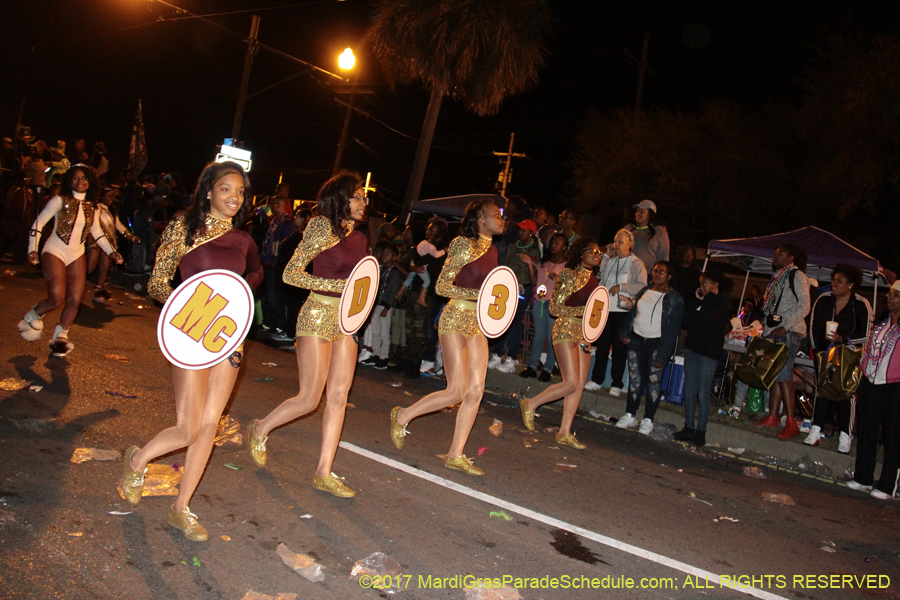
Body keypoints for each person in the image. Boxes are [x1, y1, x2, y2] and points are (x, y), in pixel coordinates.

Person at [121, 161, 262, 541]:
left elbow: (254, 279)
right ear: (208, 192)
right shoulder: (185, 227)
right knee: (188, 426)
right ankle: (137, 459)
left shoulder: (244, 241)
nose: (235, 198)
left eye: (240, 192)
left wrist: (234, 322)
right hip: (190, 334)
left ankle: (180, 509)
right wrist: (186, 312)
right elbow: (157, 283)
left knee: (209, 425)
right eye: (227, 189)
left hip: (227, 339)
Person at [246, 172, 369, 498]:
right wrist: (336, 287)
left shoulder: (360, 238)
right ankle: (260, 427)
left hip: (347, 320)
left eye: (364, 197)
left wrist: (357, 304)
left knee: (339, 397)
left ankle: (323, 471)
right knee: (309, 398)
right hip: (316, 314)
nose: (363, 202)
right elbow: (291, 274)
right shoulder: (320, 227)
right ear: (342, 198)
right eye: (358, 196)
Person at [390, 200, 506, 475]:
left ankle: (455, 453)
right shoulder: (462, 244)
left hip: (478, 323)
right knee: (456, 390)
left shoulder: (494, 250)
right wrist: (481, 297)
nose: (501, 219)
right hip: (455, 317)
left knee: (476, 391)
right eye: (495, 215)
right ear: (479, 219)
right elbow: (442, 286)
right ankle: (403, 415)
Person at [17, 165, 123, 356]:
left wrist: (112, 252)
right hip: (54, 250)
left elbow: (97, 233)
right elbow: (39, 223)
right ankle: (33, 315)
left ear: (90, 182)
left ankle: (60, 339)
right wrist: (32, 249)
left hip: (76, 254)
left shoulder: (94, 207)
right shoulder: (58, 200)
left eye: (84, 178)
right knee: (56, 298)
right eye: (75, 178)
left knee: (74, 299)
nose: (79, 182)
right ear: (69, 180)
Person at [519, 238, 601, 448]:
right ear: (579, 254)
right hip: (565, 329)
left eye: (599, 253)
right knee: (571, 382)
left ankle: (564, 431)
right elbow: (555, 308)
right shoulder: (568, 274)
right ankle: (531, 403)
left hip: (584, 335)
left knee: (579, 385)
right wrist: (584, 313)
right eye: (592, 251)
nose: (596, 254)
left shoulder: (595, 280)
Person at [804, 264, 872, 452]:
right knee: (823, 390)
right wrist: (818, 352)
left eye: (839, 281)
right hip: (825, 354)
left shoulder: (860, 304)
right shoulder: (824, 300)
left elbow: (867, 334)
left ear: (850, 284)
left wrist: (845, 339)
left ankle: (845, 435)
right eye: (833, 280)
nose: (834, 284)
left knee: (846, 394)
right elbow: (813, 327)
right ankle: (815, 429)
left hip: (849, 356)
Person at [616, 261, 684, 435]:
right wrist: (625, 332)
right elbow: (632, 312)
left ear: (669, 276)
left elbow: (673, 331)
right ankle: (630, 414)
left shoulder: (675, 299)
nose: (656, 274)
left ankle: (648, 419)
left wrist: (663, 356)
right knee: (635, 379)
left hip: (657, 343)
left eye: (661, 272)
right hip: (637, 340)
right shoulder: (644, 291)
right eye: (654, 271)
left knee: (653, 381)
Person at [846, 281, 900, 499]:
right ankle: (863, 477)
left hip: (895, 385)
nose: (890, 298)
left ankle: (888, 484)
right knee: (867, 429)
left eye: (896, 295)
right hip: (872, 381)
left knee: (893, 434)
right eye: (890, 294)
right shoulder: (882, 323)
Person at [754, 244, 811, 439]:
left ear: (791, 258)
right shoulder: (778, 278)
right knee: (776, 373)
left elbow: (805, 306)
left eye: (781, 254)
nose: (775, 256)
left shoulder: (798, 276)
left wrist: (785, 326)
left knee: (785, 373)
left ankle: (791, 421)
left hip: (790, 332)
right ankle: (773, 416)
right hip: (775, 332)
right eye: (776, 252)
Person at [674, 270, 733, 446]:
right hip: (692, 349)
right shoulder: (699, 301)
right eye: (700, 284)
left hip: (709, 353)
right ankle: (688, 426)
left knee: (702, 391)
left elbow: (710, 320)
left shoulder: (722, 301)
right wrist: (697, 302)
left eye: (704, 284)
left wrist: (704, 303)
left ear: (715, 285)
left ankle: (701, 430)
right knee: (690, 389)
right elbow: (686, 321)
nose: (701, 288)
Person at [586, 229, 647, 394]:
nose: (617, 245)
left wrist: (622, 287)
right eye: (615, 241)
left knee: (619, 349)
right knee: (602, 346)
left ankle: (617, 384)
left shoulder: (636, 263)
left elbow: (642, 286)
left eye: (621, 242)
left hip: (622, 310)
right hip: (605, 308)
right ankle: (597, 379)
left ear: (630, 245)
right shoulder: (610, 261)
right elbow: (601, 279)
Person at [489, 219, 540, 373]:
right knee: (504, 320)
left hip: (523, 289)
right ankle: (497, 355)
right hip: (508, 288)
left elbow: (534, 280)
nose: (520, 232)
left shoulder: (533, 251)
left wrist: (530, 265)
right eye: (519, 229)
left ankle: (511, 358)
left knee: (515, 321)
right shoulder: (512, 246)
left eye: (523, 230)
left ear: (531, 232)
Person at [520, 232, 568, 381]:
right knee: (539, 336)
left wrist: (559, 279)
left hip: (554, 303)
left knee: (552, 337)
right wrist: (529, 265)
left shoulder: (567, 267)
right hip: (540, 300)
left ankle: (548, 369)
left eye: (558, 243)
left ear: (565, 247)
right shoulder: (543, 262)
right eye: (553, 242)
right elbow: (534, 282)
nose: (554, 245)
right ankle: (532, 367)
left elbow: (568, 287)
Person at [87, 186, 140, 302]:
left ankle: (98, 291)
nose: (111, 199)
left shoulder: (111, 211)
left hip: (108, 244)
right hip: (95, 243)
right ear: (102, 196)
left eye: (113, 196)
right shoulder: (95, 208)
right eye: (109, 196)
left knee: (104, 268)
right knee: (89, 268)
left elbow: (119, 226)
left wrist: (132, 237)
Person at [361, 241, 404, 369]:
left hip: (385, 305)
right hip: (376, 303)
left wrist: (388, 306)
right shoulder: (380, 269)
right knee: (375, 331)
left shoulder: (394, 273)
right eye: (384, 253)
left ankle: (383, 357)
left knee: (384, 332)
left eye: (387, 254)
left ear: (394, 257)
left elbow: (393, 290)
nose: (384, 255)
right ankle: (375, 354)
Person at [260, 195, 296, 340]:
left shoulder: (286, 223)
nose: (270, 206)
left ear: (280, 205)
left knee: (275, 296)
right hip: (267, 263)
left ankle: (280, 325)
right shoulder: (274, 220)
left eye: (274, 204)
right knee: (268, 296)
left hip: (276, 265)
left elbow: (287, 244)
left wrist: (277, 258)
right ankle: (270, 324)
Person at [625, 200, 669, 269]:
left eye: (642, 211)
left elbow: (664, 257)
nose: (638, 213)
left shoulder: (659, 231)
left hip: (647, 274)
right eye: (637, 211)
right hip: (626, 272)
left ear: (650, 214)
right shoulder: (628, 228)